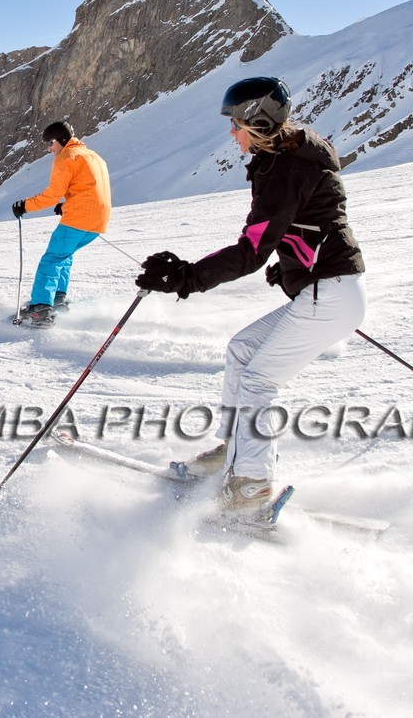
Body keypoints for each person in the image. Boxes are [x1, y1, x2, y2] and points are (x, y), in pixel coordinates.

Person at [134, 77, 367, 512]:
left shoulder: (287, 168)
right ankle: (234, 451)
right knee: (243, 350)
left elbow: (250, 251)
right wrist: (293, 264)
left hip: (330, 293)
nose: (232, 133)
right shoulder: (287, 156)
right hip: (326, 289)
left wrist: (185, 277)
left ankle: (251, 486)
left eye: (236, 124)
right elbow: (311, 223)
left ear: (258, 122)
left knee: (259, 380)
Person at [12, 121, 111, 327]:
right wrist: (65, 206)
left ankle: (41, 307)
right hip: (98, 221)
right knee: (63, 257)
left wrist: (24, 206)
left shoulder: (66, 157)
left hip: (79, 218)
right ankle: (57, 299)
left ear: (61, 140)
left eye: (50, 143)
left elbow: (51, 196)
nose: (49, 148)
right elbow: (89, 188)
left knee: (52, 259)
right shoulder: (93, 156)